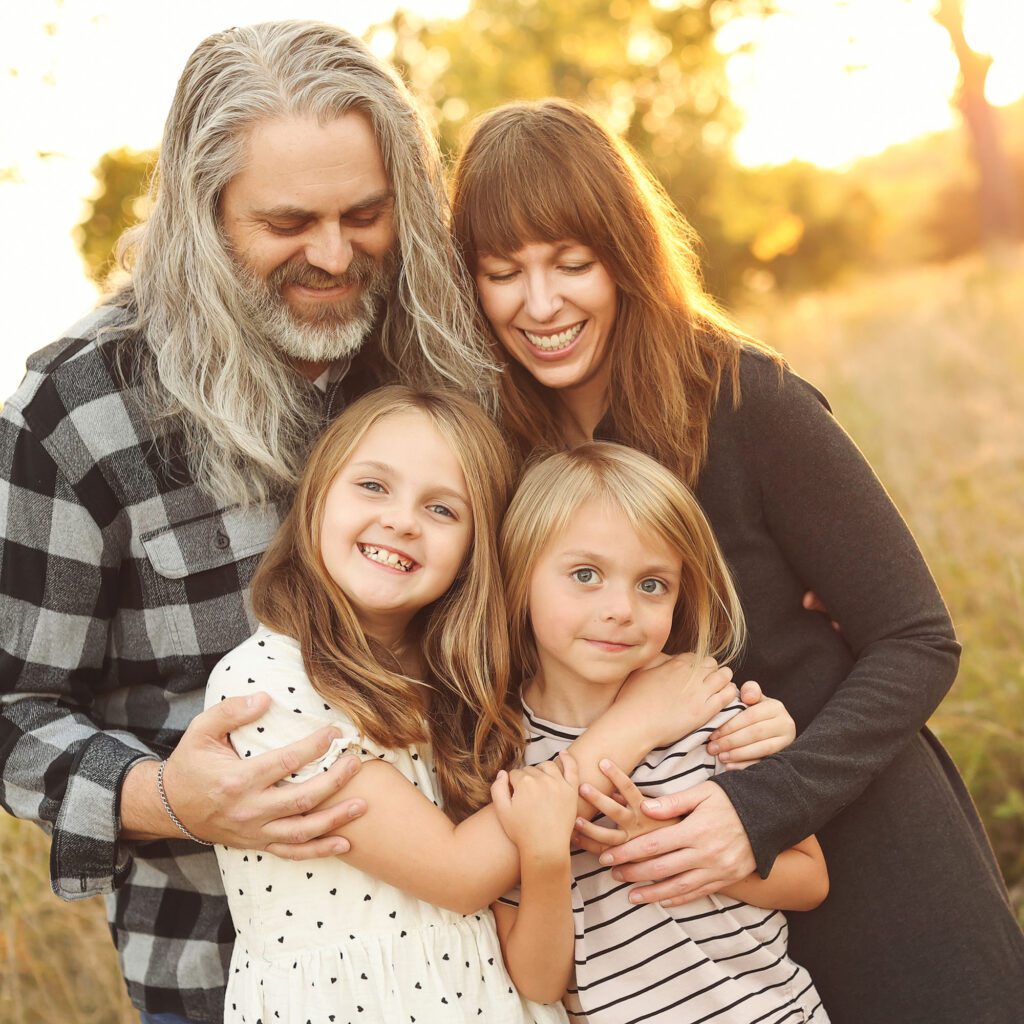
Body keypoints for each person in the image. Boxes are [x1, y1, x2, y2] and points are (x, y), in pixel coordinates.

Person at [450, 98, 1024, 1024]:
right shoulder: (502, 455)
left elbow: (917, 638)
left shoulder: (746, 398)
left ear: (624, 255)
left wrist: (762, 805)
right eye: (502, 272)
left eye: (571, 263)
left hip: (859, 843)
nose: (541, 304)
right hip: (677, 947)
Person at [0, 21, 500, 1024]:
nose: (333, 252)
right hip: (223, 972)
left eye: (365, 213)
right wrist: (172, 798)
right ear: (203, 211)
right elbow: (15, 711)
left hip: (489, 950)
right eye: (287, 222)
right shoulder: (82, 408)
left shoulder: (448, 351)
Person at [207, 386, 781, 1023]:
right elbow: (458, 875)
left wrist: (749, 720)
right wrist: (636, 724)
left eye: (443, 510)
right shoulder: (268, 686)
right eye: (373, 486)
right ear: (316, 495)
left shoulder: (458, 675)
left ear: (477, 553)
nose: (401, 521)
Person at [492, 442, 829, 1023]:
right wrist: (545, 856)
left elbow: (809, 880)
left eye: (652, 585)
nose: (621, 608)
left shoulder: (710, 716)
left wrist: (677, 849)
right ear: (521, 576)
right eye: (586, 575)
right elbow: (540, 981)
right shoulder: (500, 755)